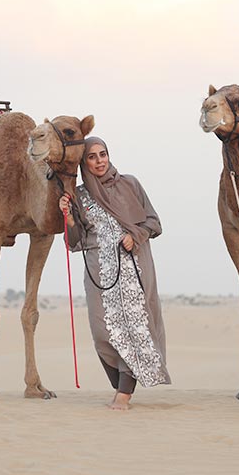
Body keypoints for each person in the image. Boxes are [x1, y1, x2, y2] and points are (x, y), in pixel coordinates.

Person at [59, 137, 171, 410]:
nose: (99, 161)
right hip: (99, 269)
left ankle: (124, 394)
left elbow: (154, 222)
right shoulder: (80, 196)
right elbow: (75, 241)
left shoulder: (130, 184)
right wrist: (69, 217)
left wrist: (135, 235)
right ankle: (120, 384)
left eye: (103, 154)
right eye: (92, 157)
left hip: (134, 265)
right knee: (102, 331)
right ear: (84, 163)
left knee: (134, 327)